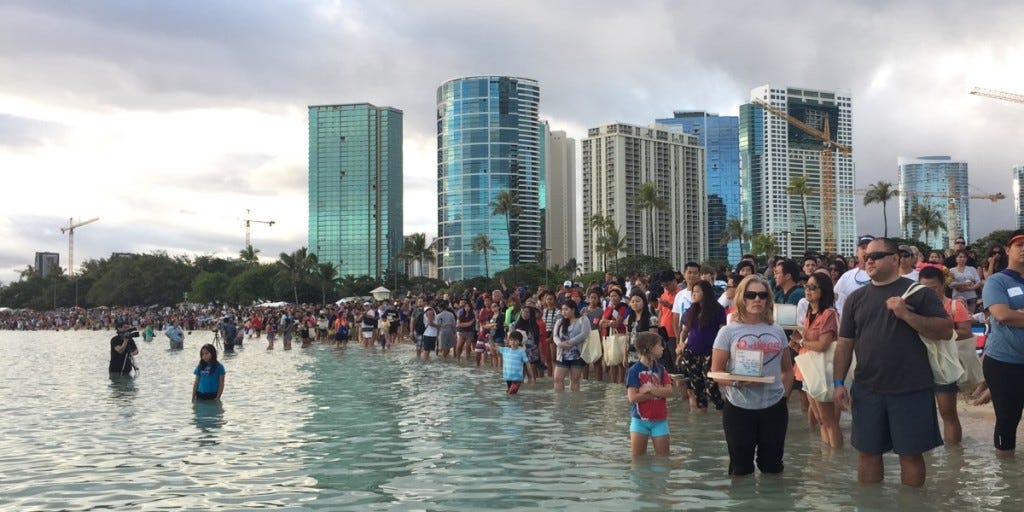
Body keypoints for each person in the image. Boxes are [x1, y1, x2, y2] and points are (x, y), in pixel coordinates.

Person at [833, 238, 953, 487]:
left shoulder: (918, 292)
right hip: (867, 388)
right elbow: (845, 343)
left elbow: (945, 330)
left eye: (876, 256)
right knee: (867, 454)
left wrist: (906, 314)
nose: (869, 261)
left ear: (895, 259)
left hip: (911, 388)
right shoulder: (856, 298)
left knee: (910, 455)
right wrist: (838, 382)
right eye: (866, 257)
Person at [711, 275, 793, 476]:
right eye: (751, 295)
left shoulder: (777, 330)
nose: (757, 300)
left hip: (774, 406)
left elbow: (788, 369)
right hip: (739, 407)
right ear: (741, 297)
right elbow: (716, 372)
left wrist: (784, 397)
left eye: (762, 295)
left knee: (773, 466)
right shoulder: (727, 332)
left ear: (768, 299)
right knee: (740, 468)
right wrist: (737, 381)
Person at [979, 229, 1024, 457]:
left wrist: (1019, 314)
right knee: (1008, 420)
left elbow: (1013, 316)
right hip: (1005, 362)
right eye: (1020, 244)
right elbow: (1002, 315)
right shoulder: (998, 281)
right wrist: (1012, 313)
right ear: (1008, 250)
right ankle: (1007, 480)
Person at [918, 265, 971, 445]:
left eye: (932, 288)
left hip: (946, 364)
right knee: (922, 412)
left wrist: (941, 333)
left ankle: (954, 455)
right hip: (920, 363)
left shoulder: (955, 305)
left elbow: (966, 332)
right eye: (923, 288)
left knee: (948, 412)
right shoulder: (915, 308)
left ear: (942, 286)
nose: (928, 292)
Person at [790, 272, 843, 448]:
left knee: (829, 420)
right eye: (806, 286)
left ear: (824, 290)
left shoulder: (828, 313)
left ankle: (835, 457)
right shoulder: (809, 313)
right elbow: (809, 345)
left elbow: (823, 345)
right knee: (821, 419)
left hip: (821, 371)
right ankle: (827, 458)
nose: (808, 290)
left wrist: (801, 341)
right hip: (809, 370)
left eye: (813, 287)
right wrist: (797, 345)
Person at [676, 280, 726, 411]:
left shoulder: (718, 309)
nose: (693, 294)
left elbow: (723, 331)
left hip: (710, 353)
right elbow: (685, 331)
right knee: (697, 388)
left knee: (712, 388)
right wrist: (681, 343)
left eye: (697, 291)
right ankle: (702, 419)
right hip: (691, 353)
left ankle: (723, 411)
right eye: (693, 292)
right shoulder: (691, 310)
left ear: (706, 293)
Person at [627, 331, 674, 456]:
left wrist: (649, 390)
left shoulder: (661, 369)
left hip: (660, 420)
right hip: (639, 420)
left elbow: (669, 391)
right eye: (660, 345)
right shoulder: (634, 370)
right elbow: (633, 397)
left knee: (663, 460)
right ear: (650, 348)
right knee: (638, 461)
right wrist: (658, 392)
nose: (663, 348)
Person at [552, 299, 591, 391]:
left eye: (566, 309)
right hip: (562, 355)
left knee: (574, 380)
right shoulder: (560, 321)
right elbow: (555, 336)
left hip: (577, 355)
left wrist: (570, 342)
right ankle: (559, 402)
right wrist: (560, 344)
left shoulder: (583, 319)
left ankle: (574, 402)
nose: (563, 312)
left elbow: (584, 334)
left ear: (573, 310)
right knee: (557, 379)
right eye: (562, 309)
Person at [491, 330, 534, 394]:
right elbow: (493, 346)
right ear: (509, 341)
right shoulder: (505, 350)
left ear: (519, 342)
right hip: (508, 377)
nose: (513, 342)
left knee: (510, 394)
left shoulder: (521, 352)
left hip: (517, 378)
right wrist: (490, 338)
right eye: (511, 340)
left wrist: (531, 377)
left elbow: (527, 364)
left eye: (515, 340)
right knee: (510, 394)